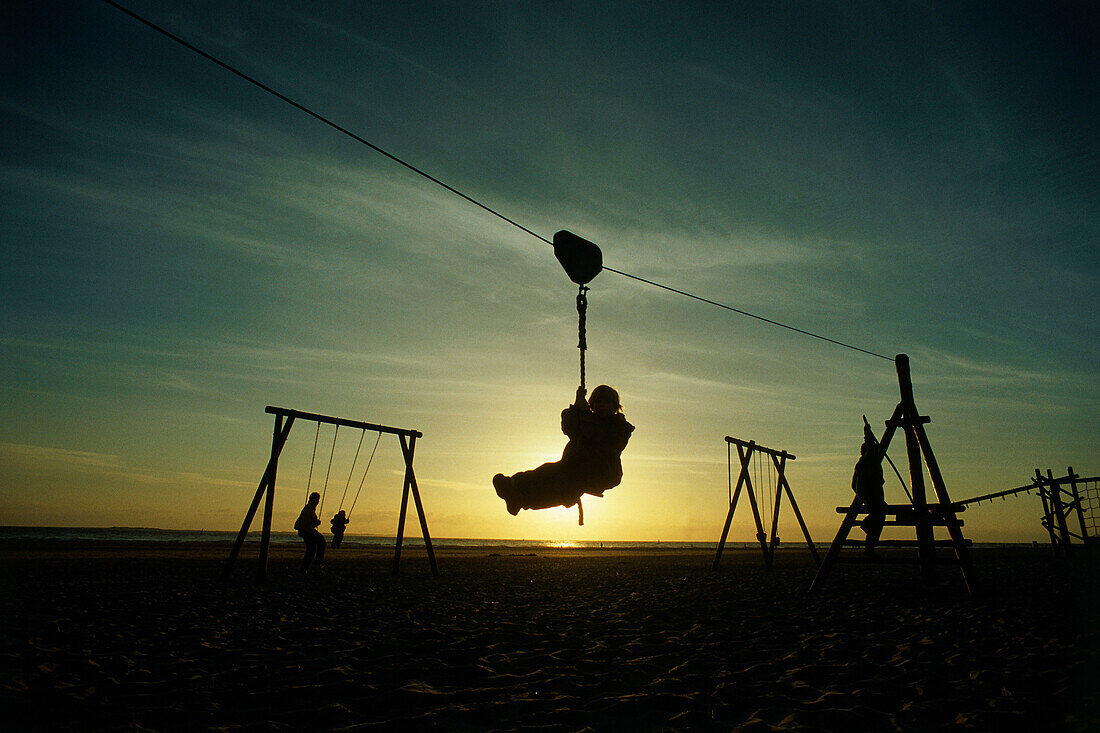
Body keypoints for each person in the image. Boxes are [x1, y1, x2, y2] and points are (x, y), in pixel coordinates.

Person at [493, 384, 634, 515]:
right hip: (574, 467)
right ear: (593, 405)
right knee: (547, 474)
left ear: (615, 407)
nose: (602, 405)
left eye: (607, 402)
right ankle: (514, 488)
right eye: (599, 402)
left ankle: (519, 497)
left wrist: (584, 413)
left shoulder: (619, 427)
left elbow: (597, 437)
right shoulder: (587, 419)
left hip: (600, 472)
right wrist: (577, 406)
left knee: (561, 490)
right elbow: (569, 429)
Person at [852, 424, 886, 556]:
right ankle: (869, 544)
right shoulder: (868, 459)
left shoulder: (864, 461)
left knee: (878, 517)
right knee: (878, 518)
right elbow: (871, 445)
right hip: (871, 493)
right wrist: (867, 433)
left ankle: (869, 546)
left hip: (868, 493)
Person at [294, 492, 326, 572]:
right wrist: (316, 523)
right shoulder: (308, 508)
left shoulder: (310, 508)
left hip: (306, 531)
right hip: (306, 531)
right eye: (317, 499)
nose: (318, 501)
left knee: (311, 549)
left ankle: (304, 568)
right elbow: (306, 523)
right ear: (313, 500)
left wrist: (315, 523)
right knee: (321, 543)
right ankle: (316, 565)